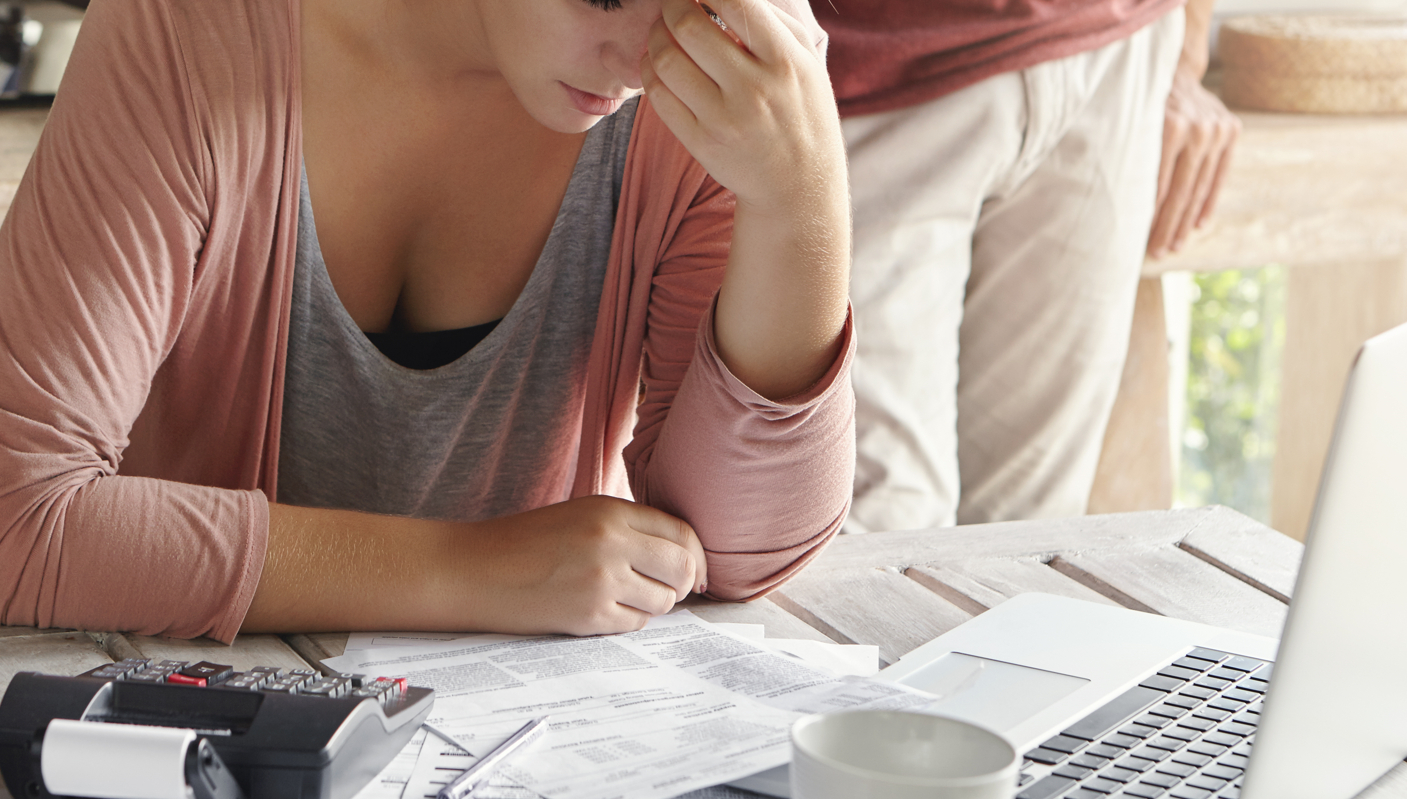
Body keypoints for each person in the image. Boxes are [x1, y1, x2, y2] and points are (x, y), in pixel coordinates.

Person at [0, 0, 854, 642]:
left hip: (520, 758)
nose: (640, 60)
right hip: (193, 743)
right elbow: (18, 516)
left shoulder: (694, 96)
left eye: (689, 0)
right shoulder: (191, 32)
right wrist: (468, 571)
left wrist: (801, 200)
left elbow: (738, 557)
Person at [816, 0, 1241, 531]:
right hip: (870, 69)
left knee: (1028, 535)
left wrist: (1185, 50)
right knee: (871, 528)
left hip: (1115, 50)